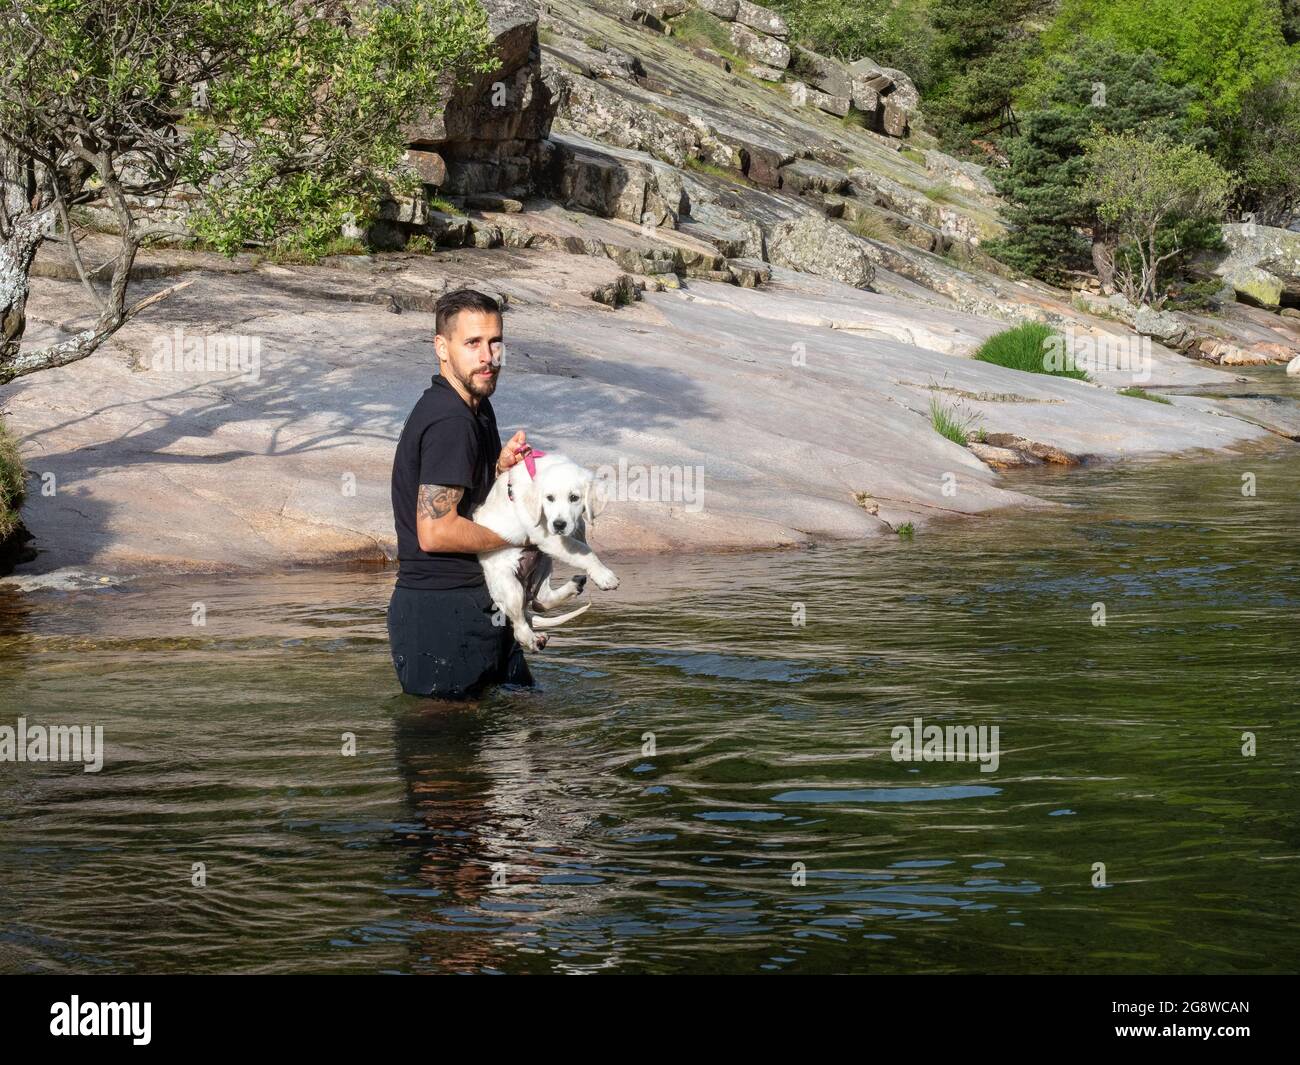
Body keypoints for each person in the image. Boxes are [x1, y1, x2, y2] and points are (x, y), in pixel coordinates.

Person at [387, 287, 534, 699]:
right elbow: (436, 531)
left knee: (527, 727)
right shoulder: (450, 420)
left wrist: (496, 469)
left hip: (480, 603)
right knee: (445, 753)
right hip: (439, 612)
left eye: (494, 341)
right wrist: (520, 537)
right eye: (472, 343)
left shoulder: (477, 406)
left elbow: (462, 497)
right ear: (442, 347)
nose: (488, 357)